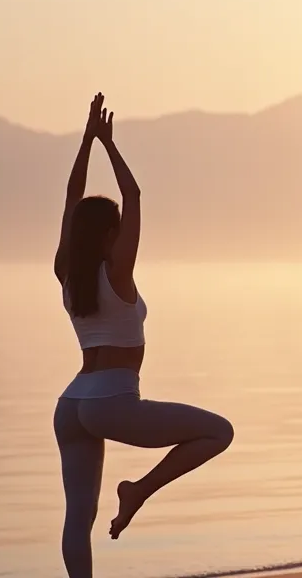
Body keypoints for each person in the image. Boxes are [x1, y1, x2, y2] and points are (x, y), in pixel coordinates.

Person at [52, 93, 235, 577]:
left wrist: (86, 140)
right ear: (110, 234)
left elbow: (72, 201)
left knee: (77, 520)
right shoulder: (117, 272)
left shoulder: (67, 271)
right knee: (219, 431)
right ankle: (139, 491)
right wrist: (108, 144)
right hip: (113, 400)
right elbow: (132, 197)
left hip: (71, 406)